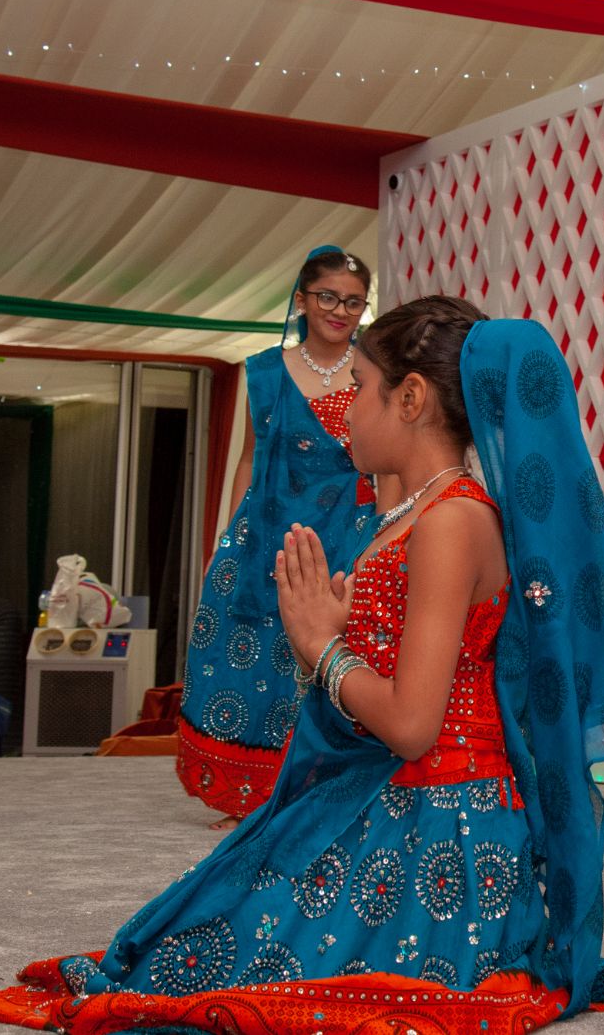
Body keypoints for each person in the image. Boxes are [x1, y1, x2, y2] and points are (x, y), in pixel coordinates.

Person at [0, 299, 604, 1032]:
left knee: (247, 962)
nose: (342, 408)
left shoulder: (451, 521)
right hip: (395, 793)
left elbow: (414, 724)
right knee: (201, 932)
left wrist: (323, 646)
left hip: (442, 819)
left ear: (412, 398)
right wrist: (339, 632)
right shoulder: (413, 514)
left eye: (360, 384)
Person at [178, 245, 379, 828]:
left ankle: (323, 794)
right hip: (268, 528)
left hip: (346, 530)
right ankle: (253, 796)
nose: (340, 311)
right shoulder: (264, 371)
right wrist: (231, 535)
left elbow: (384, 463)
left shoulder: (373, 371)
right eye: (328, 297)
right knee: (250, 656)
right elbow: (251, 457)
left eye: (353, 302)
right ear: (301, 299)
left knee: (328, 658)